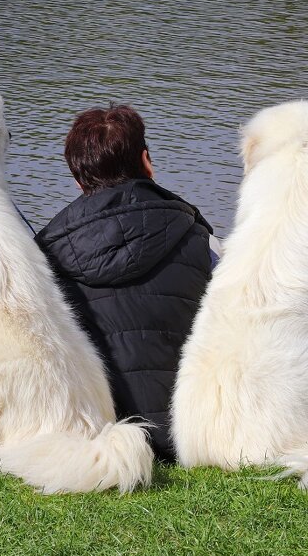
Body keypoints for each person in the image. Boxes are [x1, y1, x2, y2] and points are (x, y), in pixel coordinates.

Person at [35, 104, 214, 461]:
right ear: (146, 161)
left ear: (78, 178)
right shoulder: (204, 241)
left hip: (91, 433)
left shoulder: (40, 257)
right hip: (191, 434)